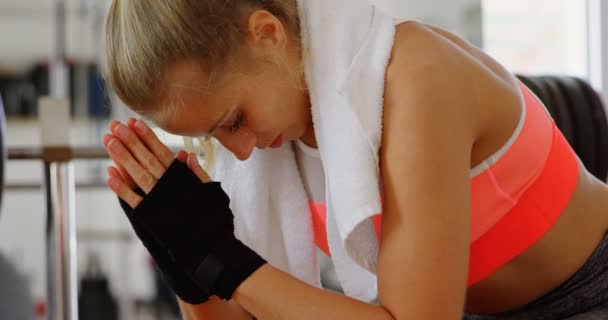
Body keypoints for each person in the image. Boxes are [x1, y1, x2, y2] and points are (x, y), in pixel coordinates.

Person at [101, 1, 608, 319]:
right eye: (212, 137)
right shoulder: (280, 129)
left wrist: (225, 261)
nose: (240, 150)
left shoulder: (415, 80)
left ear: (267, 34)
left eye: (233, 120)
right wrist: (186, 262)